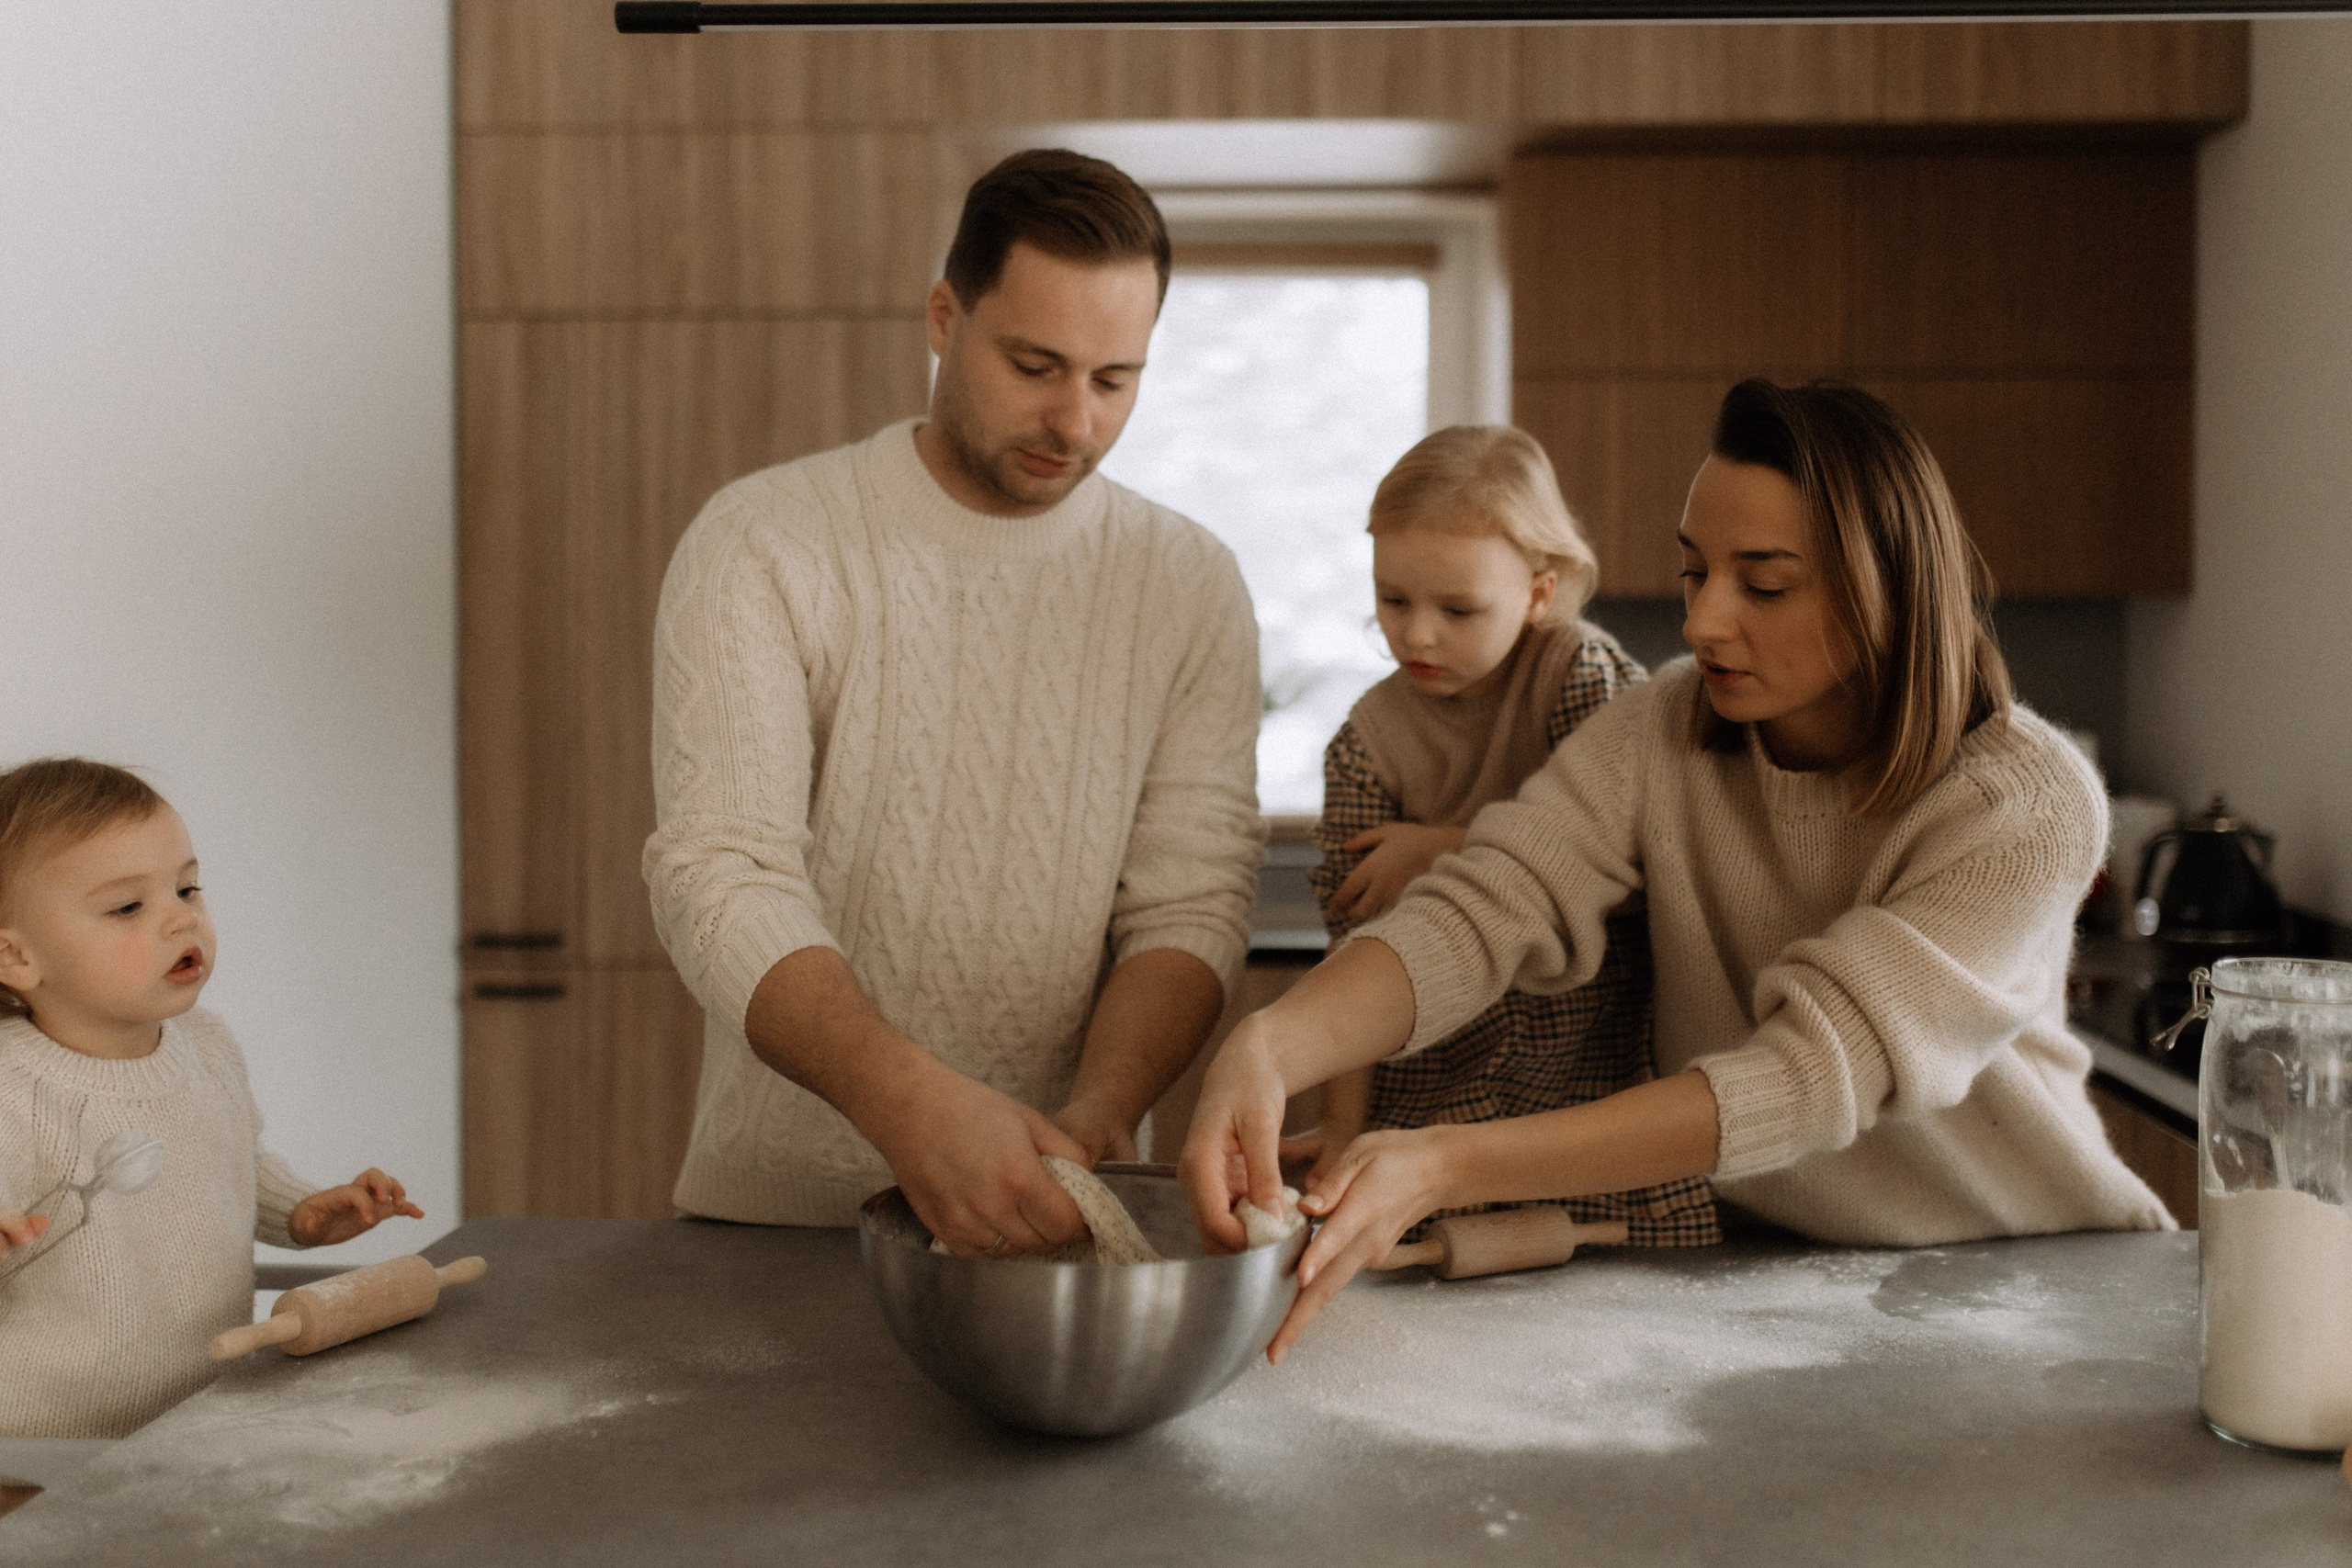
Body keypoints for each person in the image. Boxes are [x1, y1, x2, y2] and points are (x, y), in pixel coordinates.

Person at [1182, 379, 2170, 1361]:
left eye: (1764, 584)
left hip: (2027, 1287)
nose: (1702, 623)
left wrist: (1446, 1164)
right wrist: (1272, 1046)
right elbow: (1486, 907)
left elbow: (1807, 1076)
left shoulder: (2024, 804)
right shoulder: (1659, 729)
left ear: (1884, 587)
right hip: (1759, 1276)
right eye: (1696, 573)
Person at [643, 150, 1262, 1257]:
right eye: (1035, 364)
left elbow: (1188, 904)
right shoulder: (765, 541)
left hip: (1059, 1209)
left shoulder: (1188, 583)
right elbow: (721, 874)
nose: (1073, 420)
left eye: (1115, 380)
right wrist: (908, 1108)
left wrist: (1102, 1115)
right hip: (780, 1224)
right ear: (943, 317)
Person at [1303, 425, 1714, 1247]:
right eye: (1393, 600)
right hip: (1433, 1078)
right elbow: (1353, 943)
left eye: (1458, 609)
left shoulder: (1582, 678)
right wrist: (1344, 1128)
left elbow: (1642, 862)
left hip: (1592, 1078)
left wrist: (1442, 845)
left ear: (1537, 591)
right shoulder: (1365, 741)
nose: (1417, 634)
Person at [0, 759, 424, 1437]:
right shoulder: (11, 1089)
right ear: (17, 957)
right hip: (36, 1456)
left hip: (200, 1421)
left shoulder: (208, 1046)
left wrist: (301, 1211)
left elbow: (232, 1161)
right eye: (128, 906)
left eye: (187, 889)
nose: (179, 921)